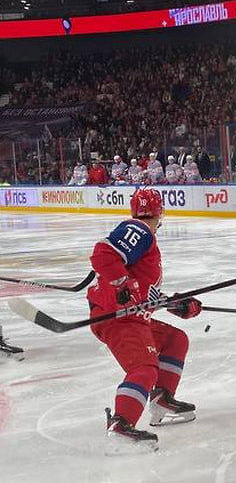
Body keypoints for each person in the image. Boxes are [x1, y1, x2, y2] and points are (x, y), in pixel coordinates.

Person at [87, 188, 201, 452]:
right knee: (144, 368)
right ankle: (121, 424)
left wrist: (178, 304)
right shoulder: (140, 230)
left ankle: (162, 399)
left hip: (130, 317)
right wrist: (122, 284)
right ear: (160, 212)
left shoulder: (142, 238)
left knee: (175, 339)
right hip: (118, 318)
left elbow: (141, 293)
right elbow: (103, 255)